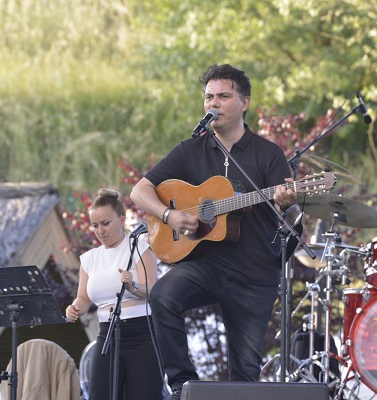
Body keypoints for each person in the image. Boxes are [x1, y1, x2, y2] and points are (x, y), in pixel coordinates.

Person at [130, 64, 301, 400]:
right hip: (207, 265)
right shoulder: (191, 149)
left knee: (245, 376)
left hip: (254, 273)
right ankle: (182, 386)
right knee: (163, 297)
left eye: (223, 96)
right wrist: (170, 215)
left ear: (244, 102)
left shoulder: (268, 154)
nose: (214, 103)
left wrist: (288, 204)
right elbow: (140, 191)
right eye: (209, 96)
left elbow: (291, 217)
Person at [65, 188, 163, 400]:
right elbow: (83, 298)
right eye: (95, 225)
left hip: (142, 333)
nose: (100, 231)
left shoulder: (140, 247)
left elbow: (153, 289)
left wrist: (132, 286)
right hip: (107, 333)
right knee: (100, 394)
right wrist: (74, 308)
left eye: (105, 223)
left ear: (122, 219)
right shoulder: (89, 259)